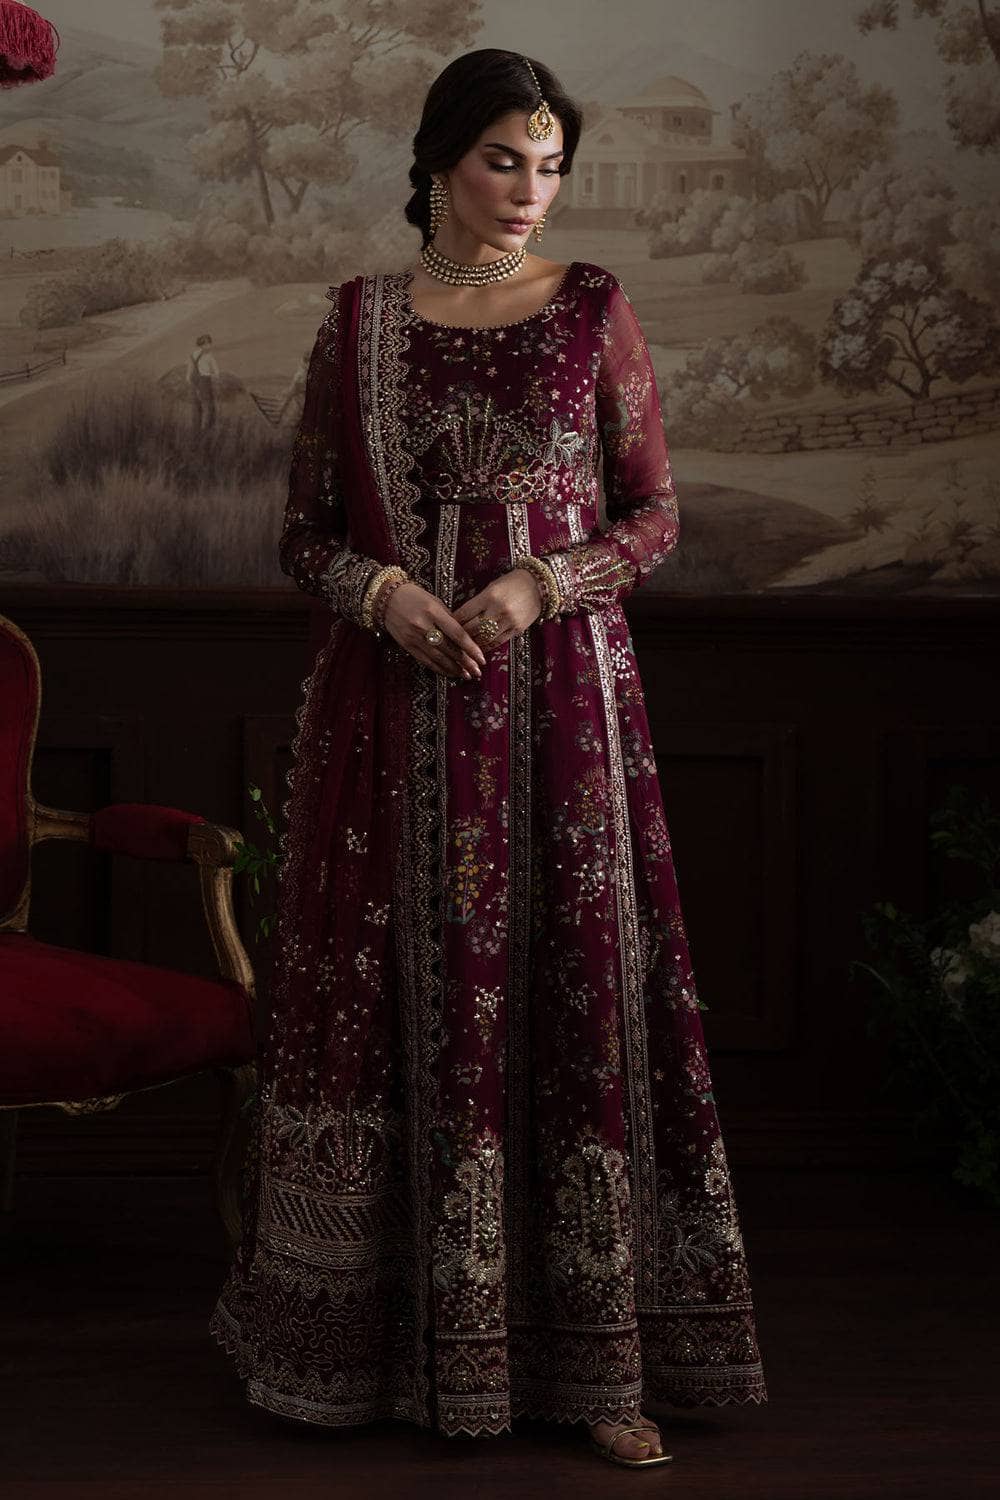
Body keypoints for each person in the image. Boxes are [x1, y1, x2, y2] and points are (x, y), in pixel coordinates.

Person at [210, 49, 766, 1469]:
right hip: (389, 719)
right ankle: (383, 1354)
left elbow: (653, 516)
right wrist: (384, 596)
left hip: (565, 712)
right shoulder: (361, 322)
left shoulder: (593, 310)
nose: (530, 193)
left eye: (551, 165)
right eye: (504, 162)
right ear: (440, 164)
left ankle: (603, 1363)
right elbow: (304, 534)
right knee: (401, 998)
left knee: (577, 992)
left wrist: (543, 586)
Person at [187, 333, 219, 433]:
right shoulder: (209, 356)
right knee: (208, 404)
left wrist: (188, 378)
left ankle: (197, 427)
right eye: (207, 344)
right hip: (204, 381)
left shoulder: (194, 354)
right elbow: (216, 371)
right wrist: (214, 375)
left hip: (195, 381)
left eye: (209, 344)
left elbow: (190, 369)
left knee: (197, 404)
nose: (209, 346)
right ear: (202, 345)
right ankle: (207, 427)